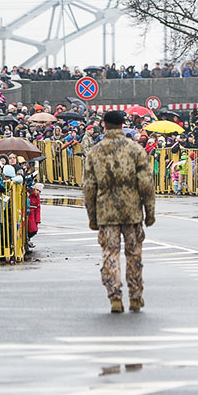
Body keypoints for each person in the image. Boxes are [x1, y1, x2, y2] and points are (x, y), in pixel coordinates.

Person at [82, 109, 156, 314]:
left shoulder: (95, 152)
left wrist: (92, 217)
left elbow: (89, 187)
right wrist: (149, 212)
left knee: (110, 253)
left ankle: (115, 296)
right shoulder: (135, 150)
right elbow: (146, 184)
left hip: (106, 212)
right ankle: (135, 296)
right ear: (123, 125)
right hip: (132, 211)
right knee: (134, 254)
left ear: (104, 126)